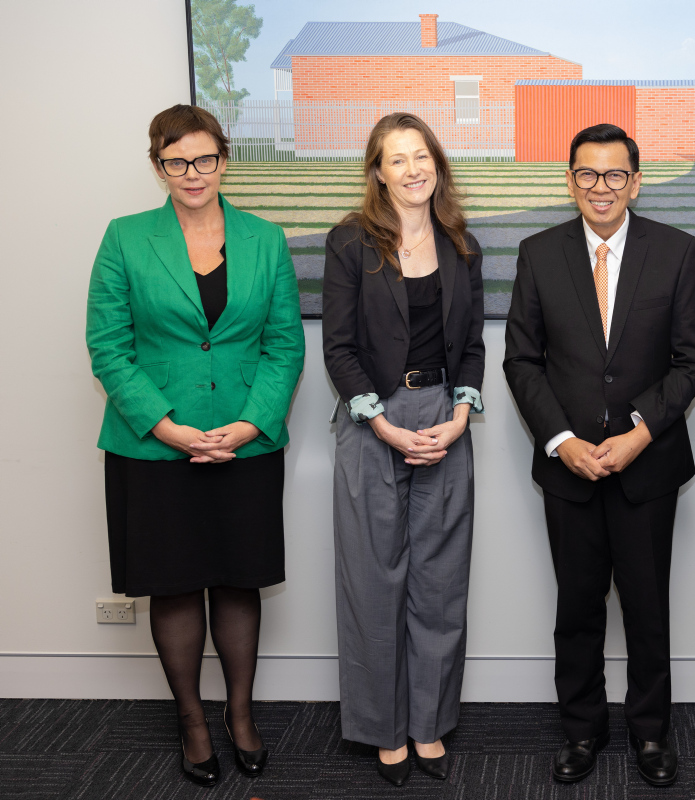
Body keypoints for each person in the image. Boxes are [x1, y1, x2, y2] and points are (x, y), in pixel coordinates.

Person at [86, 104, 304, 786]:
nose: (192, 173)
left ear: (224, 160)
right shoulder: (124, 239)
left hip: (244, 443)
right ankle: (192, 721)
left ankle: (240, 716)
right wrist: (169, 428)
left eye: (204, 159)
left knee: (238, 581)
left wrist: (248, 425)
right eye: (176, 161)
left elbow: (284, 345)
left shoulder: (265, 239)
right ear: (158, 167)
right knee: (174, 587)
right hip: (153, 450)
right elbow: (108, 348)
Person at [503, 124, 695, 786]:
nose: (600, 187)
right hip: (568, 472)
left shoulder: (675, 251)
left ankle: (650, 735)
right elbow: (521, 361)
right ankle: (580, 732)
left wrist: (639, 431)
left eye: (614, 175)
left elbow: (692, 359)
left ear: (636, 181)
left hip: (645, 468)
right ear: (569, 181)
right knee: (577, 610)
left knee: (648, 610)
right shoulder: (538, 254)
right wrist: (562, 442)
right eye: (587, 175)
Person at [322, 112, 485, 788]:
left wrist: (460, 415)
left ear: (436, 165)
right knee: (372, 583)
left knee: (440, 589)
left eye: (422, 156)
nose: (414, 169)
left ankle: (427, 726)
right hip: (374, 421)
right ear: (377, 172)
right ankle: (383, 731)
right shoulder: (349, 242)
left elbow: (473, 345)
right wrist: (381, 422)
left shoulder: (460, 243)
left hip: (443, 418)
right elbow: (338, 346)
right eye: (398, 159)